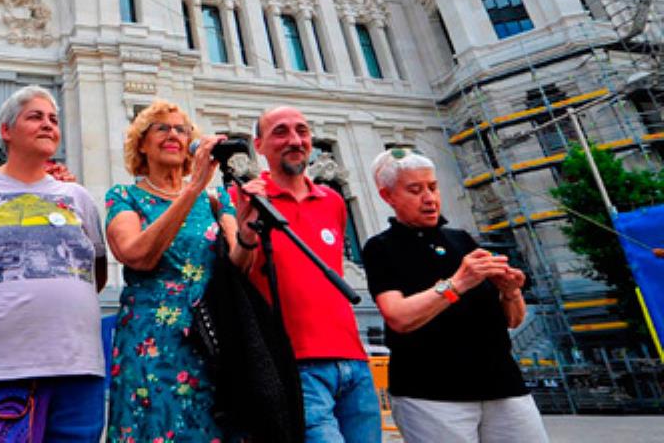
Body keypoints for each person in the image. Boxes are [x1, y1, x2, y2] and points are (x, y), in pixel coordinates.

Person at [0, 86, 108, 442]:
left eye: (53, 119)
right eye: (35, 117)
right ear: (6, 130)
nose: (48, 125)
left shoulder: (78, 197)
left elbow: (95, 270)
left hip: (76, 368)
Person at [361, 149, 548, 443]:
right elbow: (398, 317)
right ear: (388, 197)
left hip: (503, 385)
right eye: (415, 190)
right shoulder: (382, 247)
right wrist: (457, 283)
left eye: (433, 187)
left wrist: (511, 292)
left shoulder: (462, 240)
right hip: (433, 393)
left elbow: (512, 321)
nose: (429, 198)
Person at [104, 100, 254, 442]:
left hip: (212, 340)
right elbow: (136, 255)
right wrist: (191, 190)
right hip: (151, 342)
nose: (173, 134)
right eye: (161, 128)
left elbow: (236, 265)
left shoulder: (216, 200)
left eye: (181, 130)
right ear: (142, 143)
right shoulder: (125, 196)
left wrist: (248, 234)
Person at [236, 106, 381, 443]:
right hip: (296, 363)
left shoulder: (332, 200)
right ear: (258, 146)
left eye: (301, 131)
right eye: (281, 132)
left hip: (355, 360)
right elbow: (237, 269)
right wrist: (245, 232)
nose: (295, 140)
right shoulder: (245, 200)